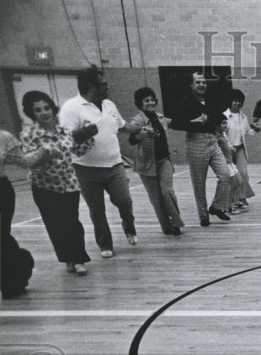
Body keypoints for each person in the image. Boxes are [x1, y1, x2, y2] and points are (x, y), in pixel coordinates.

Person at [58, 66, 144, 257]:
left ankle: (129, 227)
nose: (108, 87)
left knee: (124, 201)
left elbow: (123, 126)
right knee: (97, 210)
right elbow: (66, 139)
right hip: (86, 169)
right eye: (103, 84)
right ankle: (105, 245)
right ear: (91, 87)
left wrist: (139, 128)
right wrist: (88, 131)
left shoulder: (109, 105)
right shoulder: (71, 108)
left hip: (115, 165)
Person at [18, 91, 92, 274]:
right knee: (56, 225)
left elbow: (79, 152)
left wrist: (89, 138)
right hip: (45, 187)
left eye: (46, 108)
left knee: (73, 223)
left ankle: (79, 259)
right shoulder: (28, 135)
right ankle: (68, 258)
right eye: (38, 110)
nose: (44, 112)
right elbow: (28, 160)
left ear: (53, 109)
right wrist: (44, 153)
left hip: (69, 185)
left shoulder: (65, 132)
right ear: (31, 113)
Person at [0, 96, 40, 298]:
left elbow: (25, 162)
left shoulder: (2, 137)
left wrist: (44, 151)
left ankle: (11, 280)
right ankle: (18, 270)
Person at [168, 72, 233, 225]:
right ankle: (203, 216)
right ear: (192, 85)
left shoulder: (209, 100)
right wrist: (193, 122)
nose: (202, 85)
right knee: (199, 183)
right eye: (198, 82)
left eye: (203, 82)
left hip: (212, 140)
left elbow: (215, 117)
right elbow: (175, 124)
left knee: (225, 174)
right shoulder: (186, 102)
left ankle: (216, 207)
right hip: (195, 142)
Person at [128, 87, 185, 236]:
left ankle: (176, 223)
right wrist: (141, 133)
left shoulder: (160, 118)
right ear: (140, 104)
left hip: (164, 161)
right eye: (146, 100)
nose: (151, 102)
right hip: (146, 164)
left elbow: (178, 123)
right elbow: (132, 140)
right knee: (156, 198)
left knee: (167, 192)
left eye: (152, 99)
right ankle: (166, 227)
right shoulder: (138, 120)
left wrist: (192, 119)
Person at [223, 89, 256, 212]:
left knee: (243, 174)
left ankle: (241, 198)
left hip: (240, 148)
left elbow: (248, 132)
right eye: (235, 101)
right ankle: (231, 201)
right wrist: (228, 146)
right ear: (231, 101)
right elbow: (221, 134)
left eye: (240, 102)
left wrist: (256, 129)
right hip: (228, 150)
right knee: (232, 176)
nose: (237, 103)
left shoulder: (243, 117)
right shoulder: (224, 116)